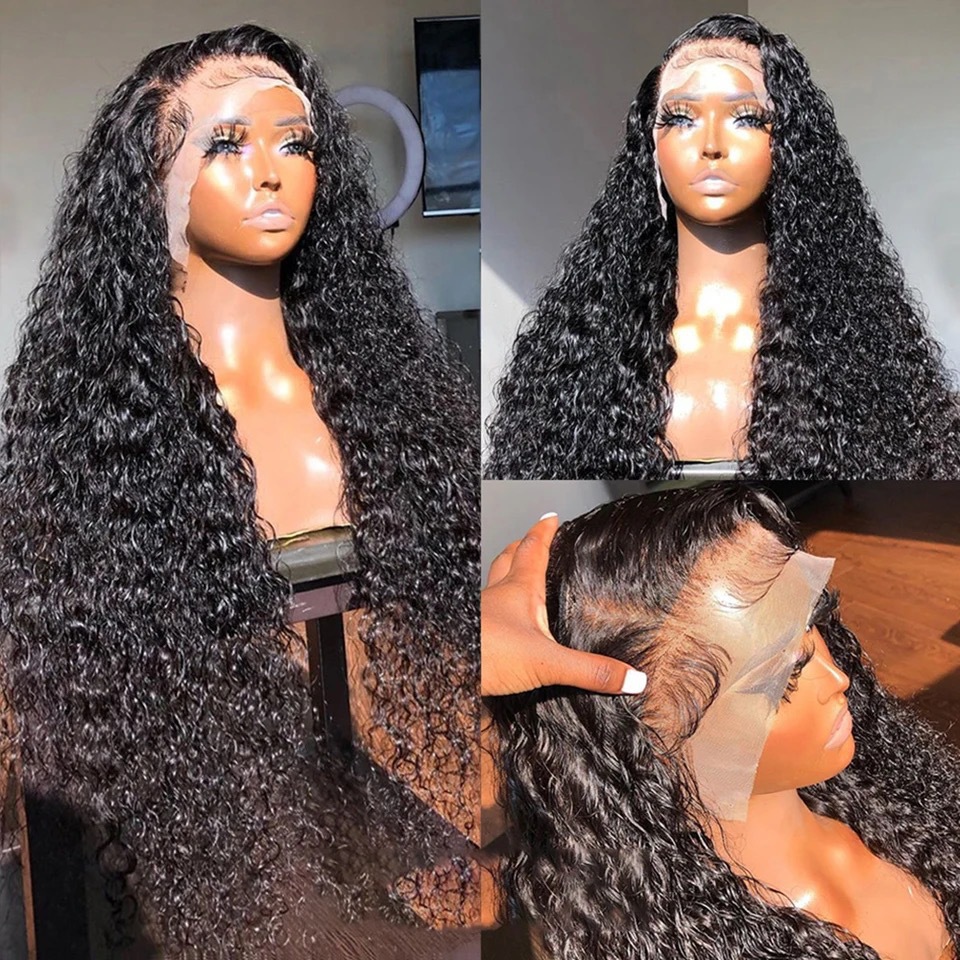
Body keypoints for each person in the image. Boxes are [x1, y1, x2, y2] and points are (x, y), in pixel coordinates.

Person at [0, 23, 478, 955]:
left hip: (372, 805)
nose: (271, 172)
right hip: (219, 844)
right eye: (226, 142)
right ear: (149, 182)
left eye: (295, 143)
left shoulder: (389, 399)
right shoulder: (106, 438)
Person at [489, 484, 959, 960]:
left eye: (810, 620)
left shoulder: (892, 803)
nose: (838, 678)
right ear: (643, 745)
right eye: (780, 678)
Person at [485, 13, 960, 480]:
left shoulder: (856, 353)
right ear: (650, 145)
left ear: (788, 143)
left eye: (746, 118)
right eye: (680, 118)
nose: (711, 144)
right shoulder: (584, 354)